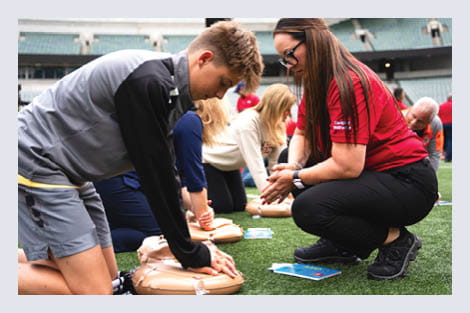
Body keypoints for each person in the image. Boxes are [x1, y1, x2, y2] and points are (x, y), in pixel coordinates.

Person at [17, 20, 264, 294]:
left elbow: (167, 174)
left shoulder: (169, 87)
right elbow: (155, 176)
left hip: (73, 173)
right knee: (96, 293)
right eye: (224, 82)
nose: (220, 94)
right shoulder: (149, 81)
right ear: (204, 59)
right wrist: (189, 252)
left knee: (109, 277)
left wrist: (186, 245)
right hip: (37, 160)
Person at [260, 18, 438, 281]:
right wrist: (294, 166)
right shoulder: (319, 80)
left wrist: (295, 178)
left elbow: (348, 165)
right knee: (289, 158)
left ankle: (396, 240)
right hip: (377, 175)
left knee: (308, 208)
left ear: (314, 42)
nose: (289, 65)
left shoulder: (349, 82)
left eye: (289, 54)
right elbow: (302, 131)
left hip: (407, 182)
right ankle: (344, 243)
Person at [203, 83, 296, 213]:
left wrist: (281, 190)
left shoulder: (278, 124)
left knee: (239, 205)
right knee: (223, 207)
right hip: (210, 161)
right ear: (276, 107)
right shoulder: (248, 121)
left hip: (231, 166)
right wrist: (270, 196)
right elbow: (255, 163)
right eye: (286, 109)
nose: (288, 114)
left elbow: (277, 163)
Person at [404, 97, 444, 172]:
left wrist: (431, 178)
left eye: (420, 121)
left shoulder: (435, 124)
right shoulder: (398, 116)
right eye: (413, 116)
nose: (413, 123)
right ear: (411, 109)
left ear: (429, 121)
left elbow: (434, 153)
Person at [438, 93, 452, 162]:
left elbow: (438, 115)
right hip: (451, 124)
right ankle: (448, 157)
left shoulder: (441, 105)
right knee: (450, 140)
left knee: (445, 140)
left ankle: (445, 154)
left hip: (443, 125)